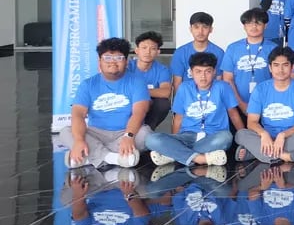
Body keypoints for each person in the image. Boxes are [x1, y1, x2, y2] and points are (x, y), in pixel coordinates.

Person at [60, 38, 152, 169]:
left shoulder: (137, 82)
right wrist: (79, 140)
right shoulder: (87, 85)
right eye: (107, 57)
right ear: (99, 61)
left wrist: (128, 136)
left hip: (125, 131)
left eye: (119, 57)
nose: (113, 62)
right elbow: (78, 114)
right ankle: (113, 157)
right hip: (96, 133)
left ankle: (89, 157)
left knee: (146, 134)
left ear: (126, 61)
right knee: (66, 132)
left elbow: (139, 112)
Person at [146, 52, 242, 167]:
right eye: (198, 71)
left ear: (214, 72)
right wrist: (175, 140)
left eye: (207, 71)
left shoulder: (222, 87)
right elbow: (178, 118)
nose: (203, 76)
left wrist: (243, 139)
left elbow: (233, 114)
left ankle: (174, 154)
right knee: (151, 139)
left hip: (213, 136)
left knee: (226, 137)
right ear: (191, 73)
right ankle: (200, 158)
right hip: (187, 136)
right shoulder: (184, 88)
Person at [235, 46, 294, 164]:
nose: (280, 70)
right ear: (270, 68)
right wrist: (263, 134)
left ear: (292, 67)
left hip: (290, 137)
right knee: (241, 134)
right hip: (265, 137)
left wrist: (282, 135)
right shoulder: (260, 89)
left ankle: (256, 153)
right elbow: (251, 122)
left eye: (285, 65)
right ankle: (286, 156)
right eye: (276, 65)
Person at [221, 7, 274, 116]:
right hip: (237, 105)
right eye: (249, 23)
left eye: (258, 23)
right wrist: (241, 104)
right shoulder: (232, 48)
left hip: (267, 105)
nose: (254, 27)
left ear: (265, 25)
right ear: (244, 26)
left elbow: (278, 78)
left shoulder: (273, 48)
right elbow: (228, 79)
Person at [170, 11, 225, 91]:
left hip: (211, 96)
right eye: (196, 27)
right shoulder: (180, 53)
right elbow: (177, 84)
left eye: (205, 27)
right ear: (190, 29)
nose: (200, 31)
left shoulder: (219, 53)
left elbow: (219, 81)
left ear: (211, 29)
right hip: (187, 96)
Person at [128, 31, 172, 131]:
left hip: (151, 104)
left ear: (158, 52)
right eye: (144, 48)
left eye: (152, 48)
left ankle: (148, 129)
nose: (148, 52)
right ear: (136, 50)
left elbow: (166, 92)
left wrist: (140, 92)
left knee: (163, 104)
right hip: (132, 102)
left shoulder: (162, 69)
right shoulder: (128, 67)